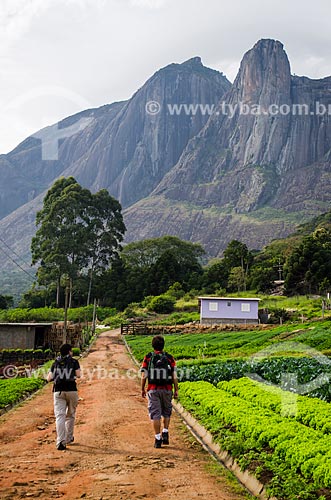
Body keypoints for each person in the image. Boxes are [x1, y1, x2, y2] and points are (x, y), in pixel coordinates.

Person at [141, 335, 178, 448]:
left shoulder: (148, 357)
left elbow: (144, 375)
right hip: (167, 389)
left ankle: (158, 438)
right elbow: (174, 375)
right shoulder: (170, 358)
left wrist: (142, 388)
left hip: (153, 389)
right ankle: (165, 431)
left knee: (155, 414)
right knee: (166, 412)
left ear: (153, 345)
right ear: (163, 345)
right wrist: (176, 389)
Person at [47, 343, 81, 450]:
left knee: (60, 416)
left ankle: (60, 441)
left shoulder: (55, 362)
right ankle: (69, 438)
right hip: (71, 390)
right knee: (70, 415)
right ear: (70, 352)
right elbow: (78, 375)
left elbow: (49, 378)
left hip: (58, 391)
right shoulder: (74, 361)